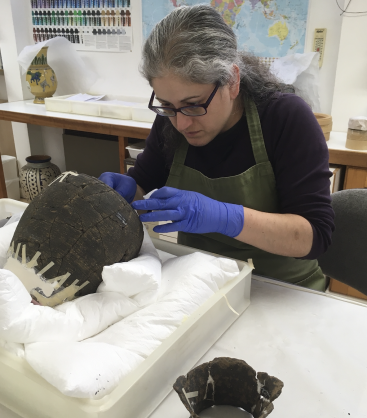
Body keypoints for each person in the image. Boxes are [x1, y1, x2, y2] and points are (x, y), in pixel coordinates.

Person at [99, 5, 334, 291]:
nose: (182, 124)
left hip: (282, 289)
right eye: (167, 106)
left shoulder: (284, 118)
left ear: (232, 81)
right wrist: (120, 192)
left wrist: (226, 217)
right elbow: (143, 183)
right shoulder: (171, 122)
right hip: (200, 284)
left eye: (194, 105)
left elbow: (314, 236)